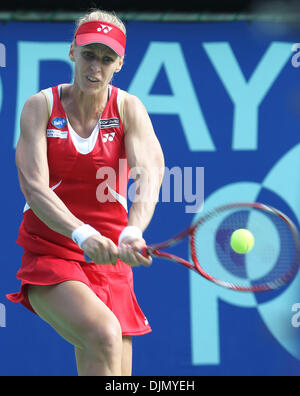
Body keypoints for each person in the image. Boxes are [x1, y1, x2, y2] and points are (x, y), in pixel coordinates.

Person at [6, 9, 165, 376]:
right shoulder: (40, 107)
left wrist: (133, 231)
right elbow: (35, 188)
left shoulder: (129, 110)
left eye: (107, 59)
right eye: (89, 54)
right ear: (72, 52)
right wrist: (83, 233)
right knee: (105, 334)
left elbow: (149, 176)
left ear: (120, 64)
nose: (96, 67)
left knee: (117, 374)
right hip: (53, 253)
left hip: (110, 258)